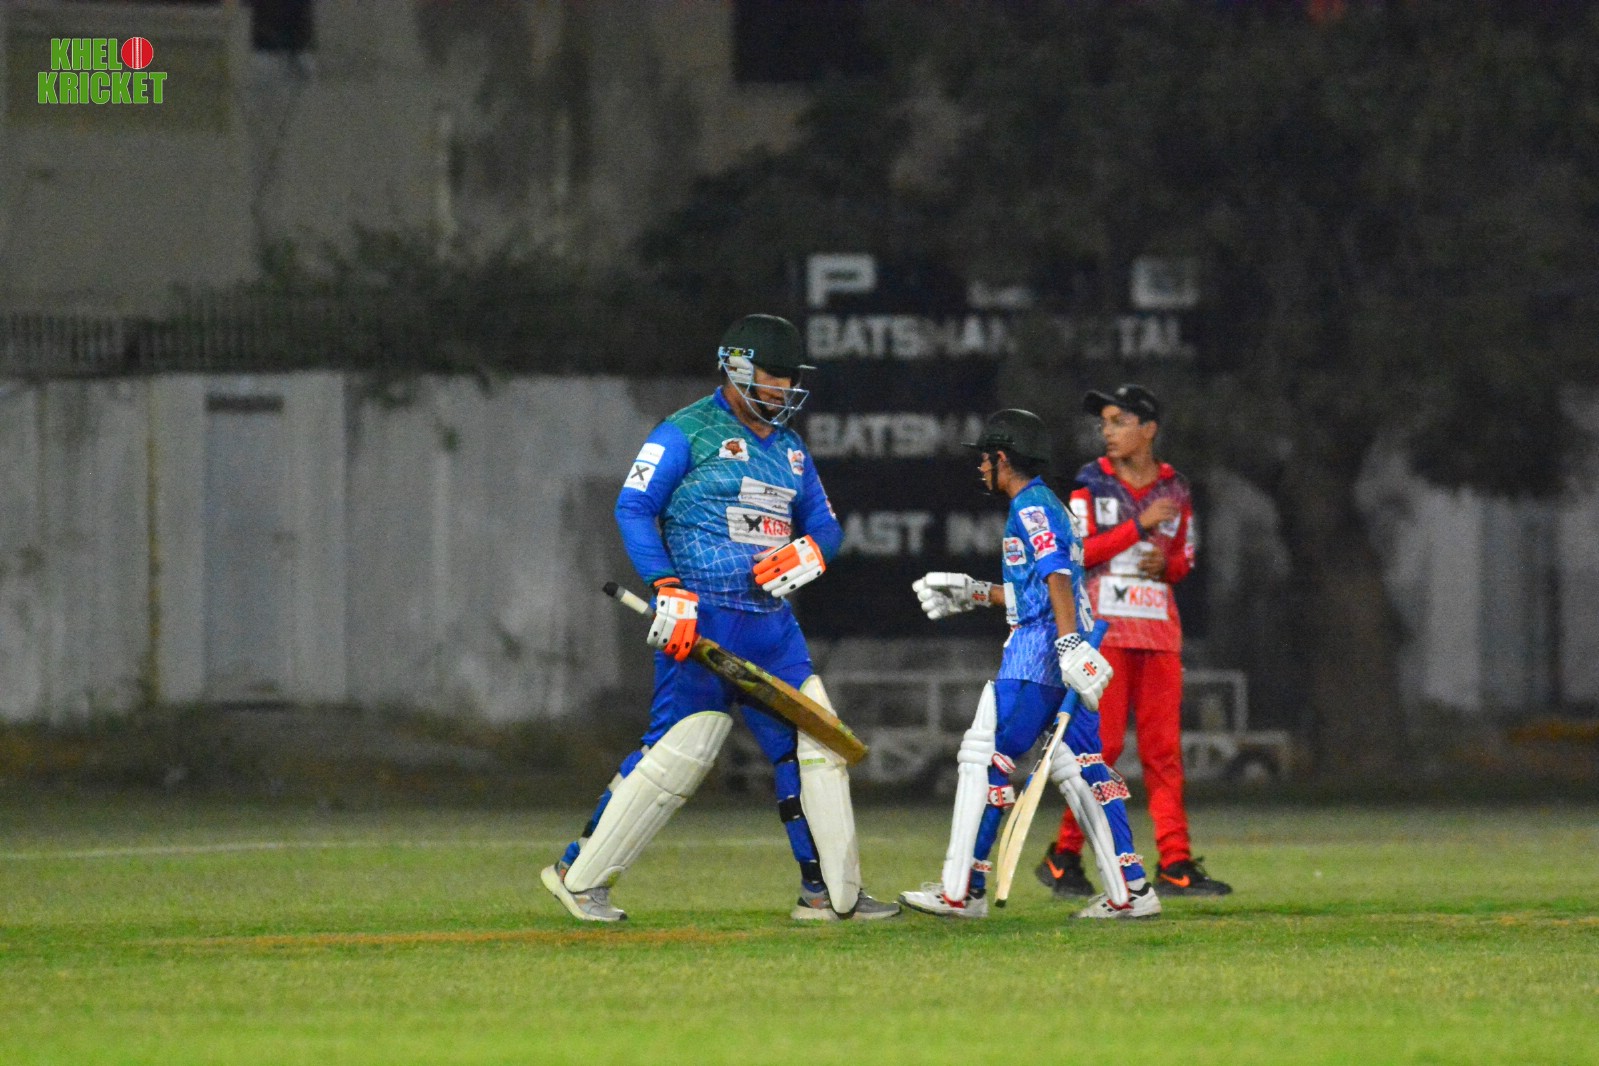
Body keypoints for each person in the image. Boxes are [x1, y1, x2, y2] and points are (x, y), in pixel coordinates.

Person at [541, 313, 900, 923]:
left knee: (817, 749)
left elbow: (826, 525)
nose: (784, 389)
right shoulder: (684, 431)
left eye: (790, 377)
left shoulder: (790, 450)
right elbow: (634, 507)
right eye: (773, 375)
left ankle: (827, 894)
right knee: (678, 753)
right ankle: (580, 877)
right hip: (702, 622)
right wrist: (668, 586)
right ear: (736, 368)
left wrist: (813, 551)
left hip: (772, 628)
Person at [898, 409, 1161, 920]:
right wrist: (975, 592)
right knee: (1083, 769)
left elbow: (1057, 576)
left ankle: (962, 891)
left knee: (986, 758)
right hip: (1063, 646)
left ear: (1003, 457)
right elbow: (1038, 589)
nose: (980, 466)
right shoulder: (1046, 503)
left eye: (984, 458)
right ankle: (1130, 891)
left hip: (1039, 653)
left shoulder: (1031, 506)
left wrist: (1065, 643)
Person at [1036, 384, 1232, 898]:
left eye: (1119, 421)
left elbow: (1185, 559)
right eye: (1104, 422)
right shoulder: (1089, 482)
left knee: (1163, 753)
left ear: (1149, 429)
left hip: (1158, 633)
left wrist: (1168, 564)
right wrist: (1138, 526)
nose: (1107, 431)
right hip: (1105, 632)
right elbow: (1078, 552)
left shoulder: (1176, 488)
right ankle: (1063, 855)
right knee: (1102, 748)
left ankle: (1175, 863)